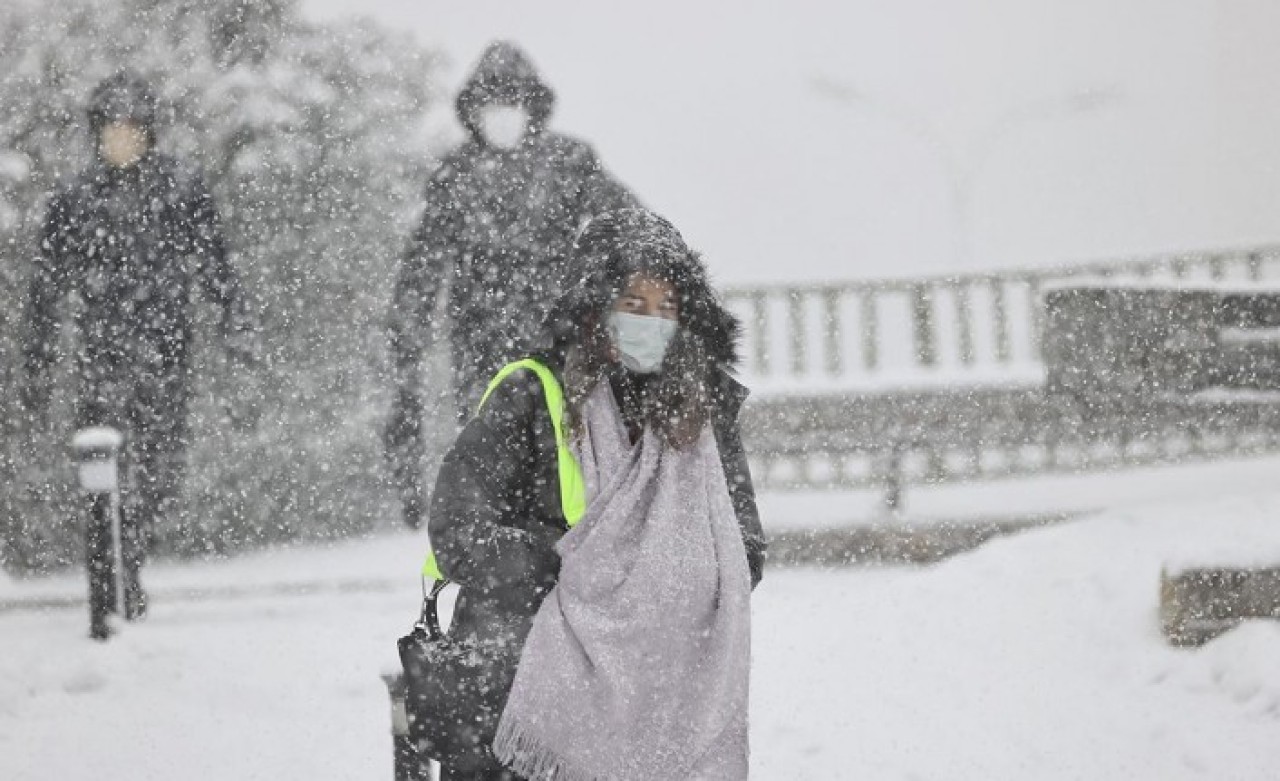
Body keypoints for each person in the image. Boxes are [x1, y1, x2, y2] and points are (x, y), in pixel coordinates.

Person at [426, 209, 765, 780]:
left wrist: (658, 582)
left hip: (659, 683)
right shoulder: (532, 393)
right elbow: (458, 524)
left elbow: (743, 545)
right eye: (633, 304)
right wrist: (564, 572)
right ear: (594, 309)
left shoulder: (701, 413)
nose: (649, 322)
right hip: (524, 675)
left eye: (666, 307)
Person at [21, 70, 255, 639]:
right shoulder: (75, 201)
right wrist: (38, 363)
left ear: (148, 133)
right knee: (100, 477)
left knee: (157, 477)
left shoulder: (181, 190)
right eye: (111, 129)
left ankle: (132, 557)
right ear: (97, 134)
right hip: (101, 359)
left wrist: (236, 331)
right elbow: (46, 289)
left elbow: (217, 268)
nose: (121, 139)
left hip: (166, 355)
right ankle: (109, 590)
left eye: (130, 128)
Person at [385, 40, 637, 529]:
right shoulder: (456, 176)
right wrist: (408, 330)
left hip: (559, 339)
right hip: (480, 346)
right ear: (474, 113)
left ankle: (568, 541)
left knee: (563, 454)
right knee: (495, 461)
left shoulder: (568, 163)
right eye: (491, 105)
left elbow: (626, 222)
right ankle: (508, 545)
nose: (503, 116)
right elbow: (421, 268)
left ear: (531, 108)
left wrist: (631, 287)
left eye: (512, 103)